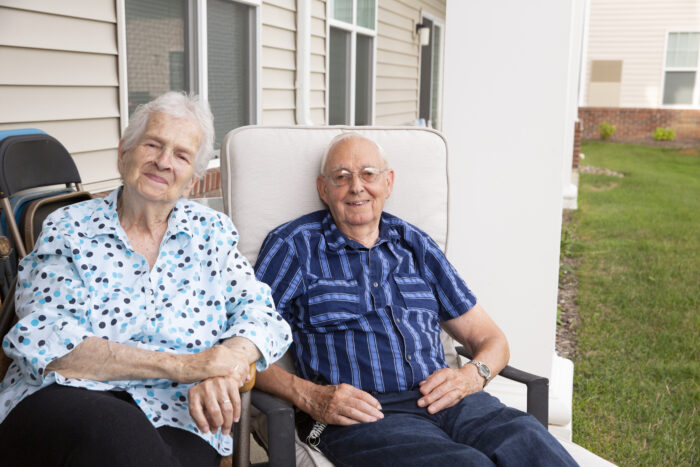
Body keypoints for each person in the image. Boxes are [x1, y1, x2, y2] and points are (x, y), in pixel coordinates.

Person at [0, 92, 291, 466]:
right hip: (66, 400)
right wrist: (191, 366)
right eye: (153, 144)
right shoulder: (70, 228)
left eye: (181, 155)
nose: (164, 162)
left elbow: (262, 315)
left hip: (180, 412)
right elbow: (51, 341)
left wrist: (226, 365)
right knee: (117, 430)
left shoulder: (212, 232)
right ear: (124, 153)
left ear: (192, 181)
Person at [254, 133, 578, 466]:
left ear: (388, 182)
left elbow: (491, 339)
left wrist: (472, 375)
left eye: (368, 174)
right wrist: (308, 395)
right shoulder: (294, 246)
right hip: (366, 416)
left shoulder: (415, 244)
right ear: (323, 189)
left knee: (531, 442)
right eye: (341, 177)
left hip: (453, 403)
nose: (356, 187)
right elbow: (239, 345)